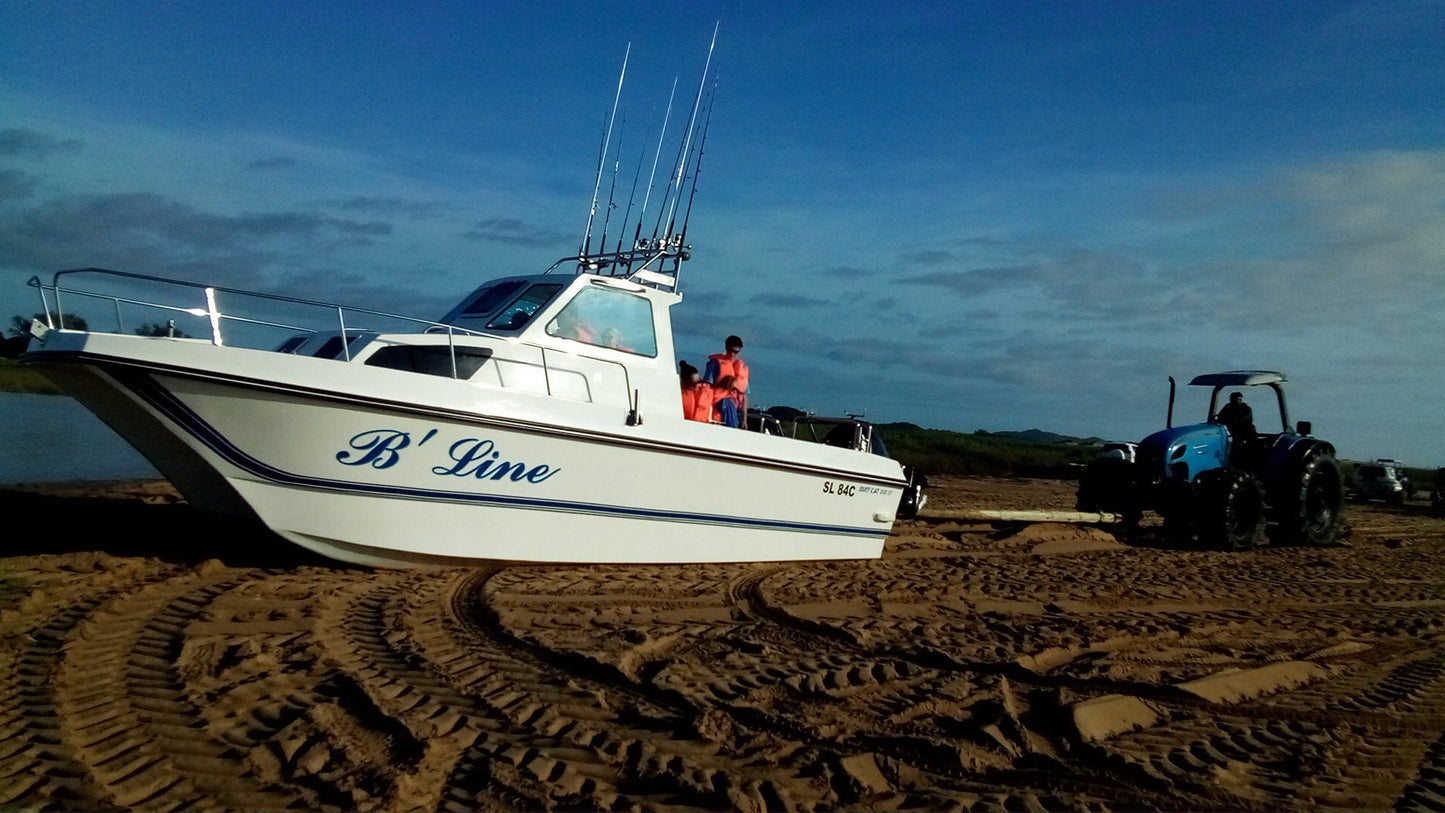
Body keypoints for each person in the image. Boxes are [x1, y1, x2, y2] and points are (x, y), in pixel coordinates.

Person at [703, 335, 749, 424]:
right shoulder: (715, 363)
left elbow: (744, 395)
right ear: (726, 347)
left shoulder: (741, 368)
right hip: (719, 404)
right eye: (730, 350)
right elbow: (706, 387)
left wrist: (744, 419)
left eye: (735, 351)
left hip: (735, 410)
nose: (732, 354)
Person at [1216, 391, 1257, 460]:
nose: (1232, 401)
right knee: (1234, 452)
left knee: (1250, 450)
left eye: (1236, 399)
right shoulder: (1228, 408)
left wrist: (1231, 419)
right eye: (1231, 399)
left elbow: (1245, 420)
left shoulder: (1245, 409)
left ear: (1240, 400)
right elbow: (1220, 417)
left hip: (1247, 434)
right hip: (1236, 434)